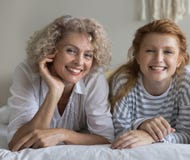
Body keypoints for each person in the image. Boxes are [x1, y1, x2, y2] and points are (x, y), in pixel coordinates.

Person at [7, 15, 114, 151]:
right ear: (51, 50)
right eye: (71, 50)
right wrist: (54, 92)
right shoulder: (27, 72)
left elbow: (106, 138)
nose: (80, 62)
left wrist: (62, 134)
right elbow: (16, 144)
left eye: (87, 55)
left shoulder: (94, 77)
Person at [109, 19, 190, 149]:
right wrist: (142, 124)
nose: (158, 59)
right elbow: (119, 134)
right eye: (150, 51)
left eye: (168, 52)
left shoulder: (185, 78)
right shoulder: (124, 79)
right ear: (137, 56)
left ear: (180, 60)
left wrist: (152, 137)